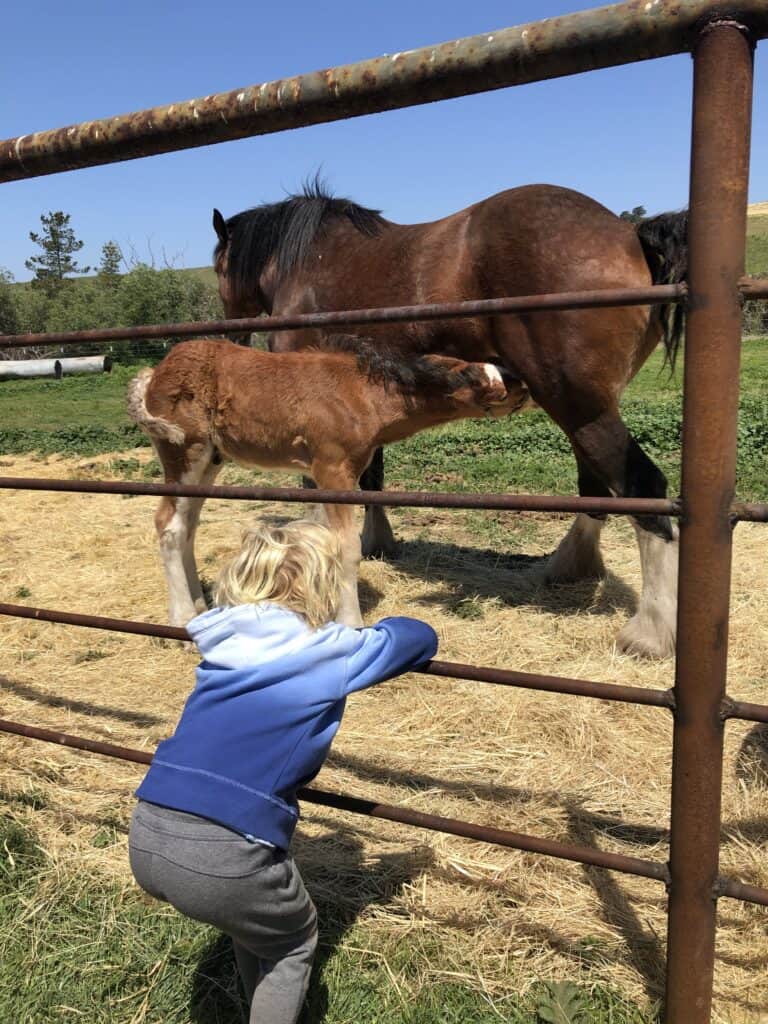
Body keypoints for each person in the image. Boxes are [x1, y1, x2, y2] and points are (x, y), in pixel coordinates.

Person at [128, 519, 438, 1024]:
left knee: (255, 929)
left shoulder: (221, 643)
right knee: (293, 944)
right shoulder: (328, 651)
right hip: (226, 849)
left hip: (148, 828)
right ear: (323, 586)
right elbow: (416, 639)